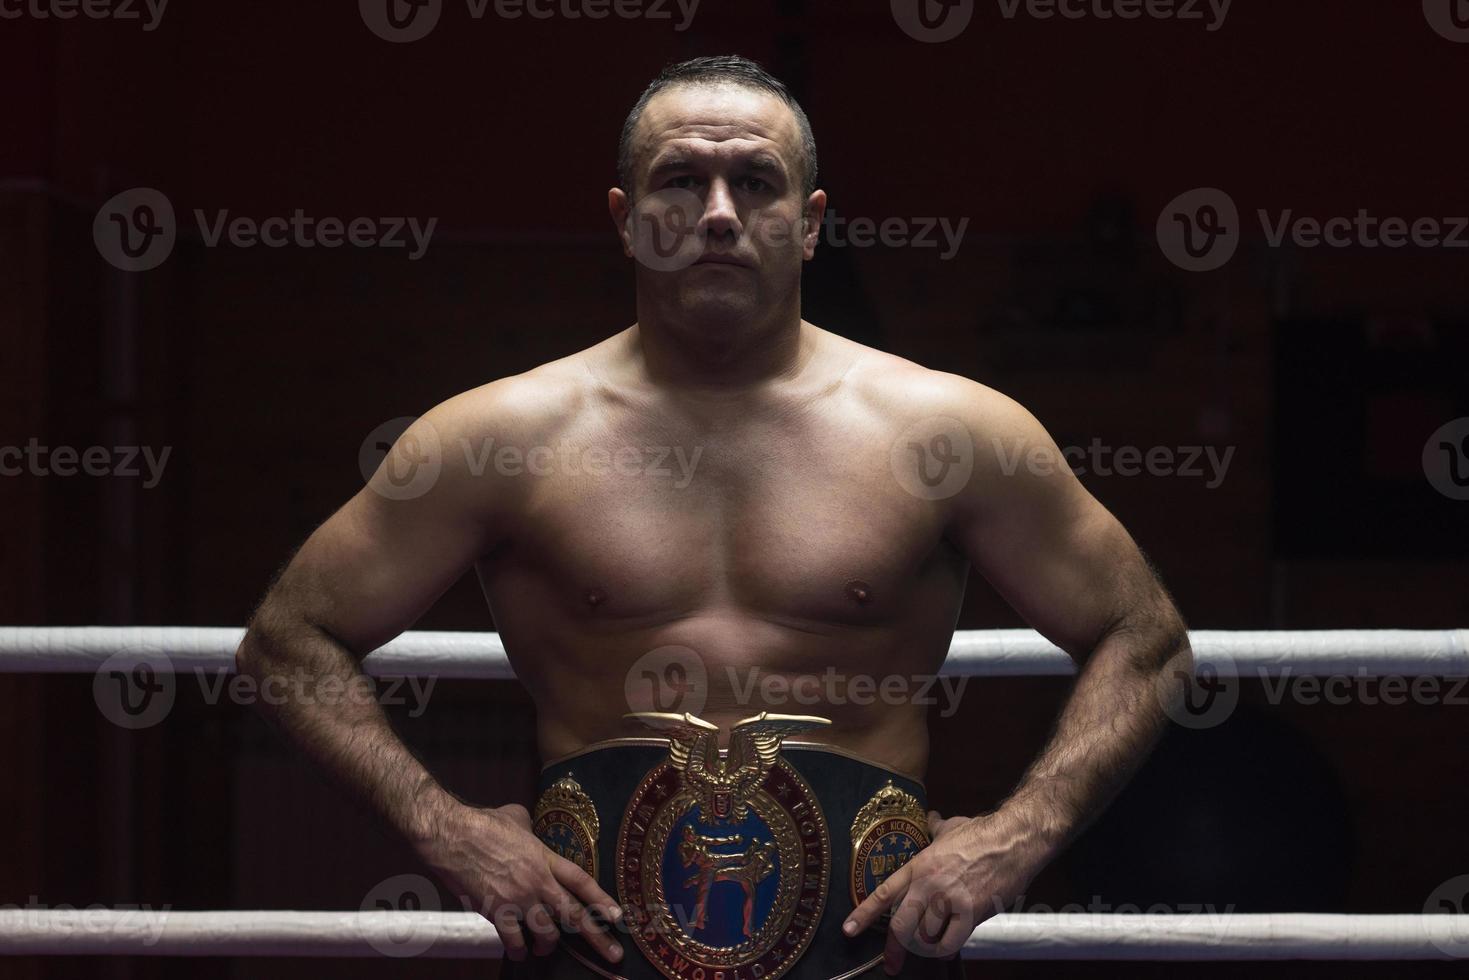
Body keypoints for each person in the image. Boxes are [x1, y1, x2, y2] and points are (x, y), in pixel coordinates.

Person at [234, 54, 1191, 980]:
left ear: (809, 224)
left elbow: (1142, 639)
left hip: (867, 960)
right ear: (627, 220)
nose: (719, 215)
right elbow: (289, 640)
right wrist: (446, 832)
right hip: (590, 957)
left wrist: (1015, 840)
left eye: (757, 183)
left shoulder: (949, 431)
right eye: (680, 181)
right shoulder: (502, 437)